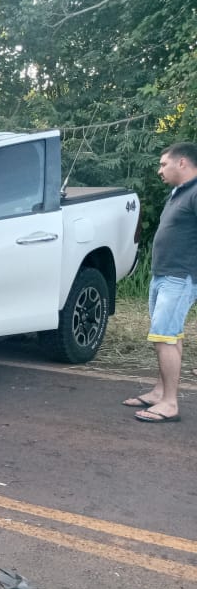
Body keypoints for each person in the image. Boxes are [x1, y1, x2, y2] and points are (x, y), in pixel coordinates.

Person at [123, 142, 197, 423]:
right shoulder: (180, 192)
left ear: (182, 163)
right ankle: (159, 392)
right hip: (164, 276)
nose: (159, 170)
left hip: (180, 277)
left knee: (164, 337)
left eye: (163, 164)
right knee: (168, 336)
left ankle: (170, 403)